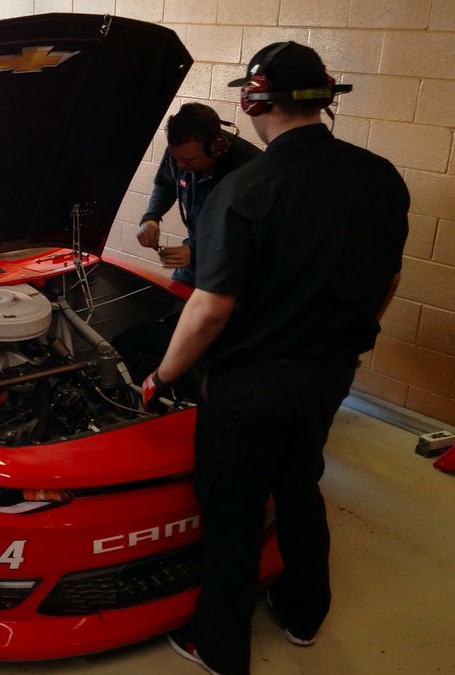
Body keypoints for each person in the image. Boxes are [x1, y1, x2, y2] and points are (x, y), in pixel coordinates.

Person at [142, 43, 408, 675]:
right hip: (331, 375)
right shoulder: (381, 176)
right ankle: (303, 613)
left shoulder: (246, 188)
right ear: (325, 98)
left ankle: (220, 645)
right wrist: (353, 333)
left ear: (253, 100)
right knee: (299, 484)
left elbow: (210, 308)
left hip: (251, 387)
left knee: (233, 511)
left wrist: (164, 374)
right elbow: (388, 279)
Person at [137, 102, 262, 285]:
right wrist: (151, 217)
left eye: (188, 160)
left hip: (236, 268)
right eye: (175, 158)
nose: (180, 166)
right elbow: (166, 183)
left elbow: (254, 237)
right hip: (197, 256)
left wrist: (198, 253)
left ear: (216, 148)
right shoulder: (180, 153)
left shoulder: (250, 170)